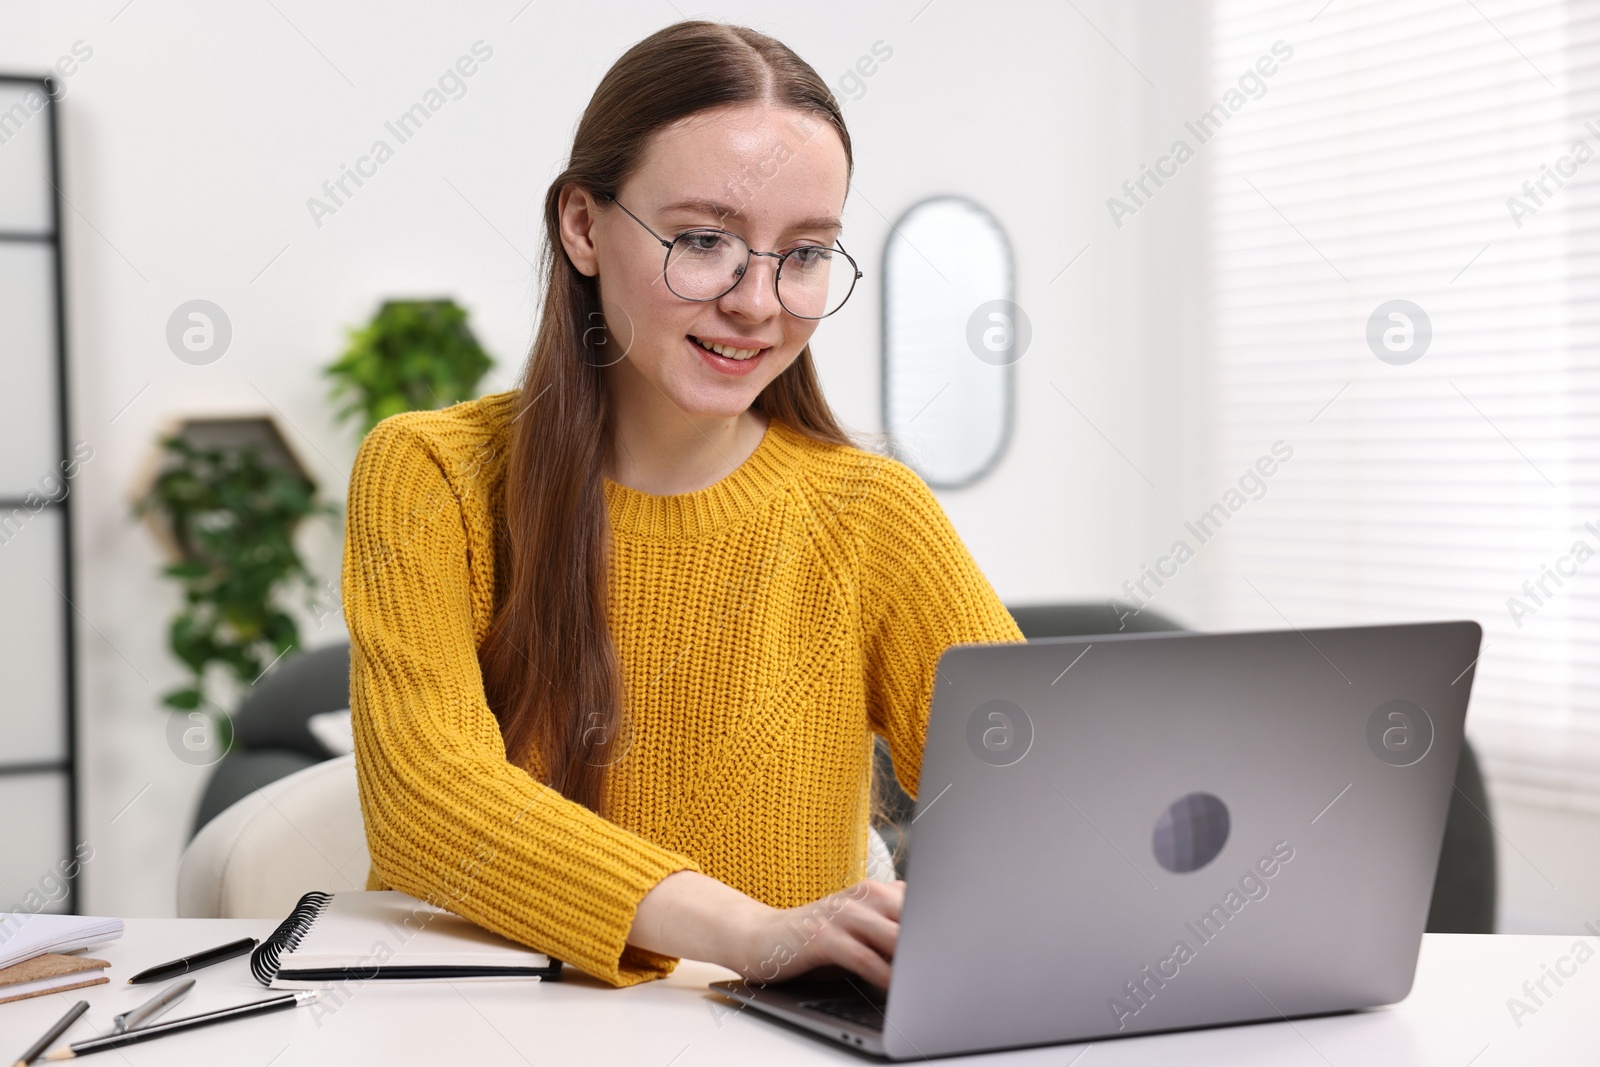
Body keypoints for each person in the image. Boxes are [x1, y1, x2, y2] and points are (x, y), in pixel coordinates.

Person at [343, 19, 1022, 991]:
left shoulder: (870, 511)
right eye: (704, 241)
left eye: (803, 252)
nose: (757, 300)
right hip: (491, 1030)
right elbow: (429, 799)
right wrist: (750, 932)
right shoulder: (431, 475)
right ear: (582, 226)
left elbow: (1032, 791)